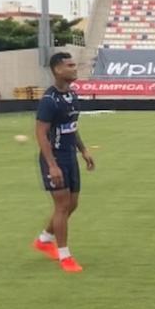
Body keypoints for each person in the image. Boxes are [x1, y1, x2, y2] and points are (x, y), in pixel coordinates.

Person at [31, 52, 95, 273]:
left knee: (72, 204)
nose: (74, 68)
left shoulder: (72, 95)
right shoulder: (49, 100)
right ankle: (65, 256)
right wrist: (52, 165)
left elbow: (72, 127)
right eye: (70, 65)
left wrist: (83, 149)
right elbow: (40, 134)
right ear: (58, 70)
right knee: (62, 205)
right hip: (55, 157)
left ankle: (44, 239)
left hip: (70, 156)